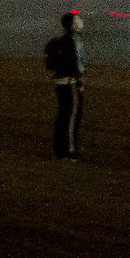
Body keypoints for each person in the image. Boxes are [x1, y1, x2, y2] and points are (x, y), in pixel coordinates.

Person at [43, 10, 84, 159]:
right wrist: (79, 82)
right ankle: (70, 150)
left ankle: (59, 150)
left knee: (62, 116)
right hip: (70, 84)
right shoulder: (71, 40)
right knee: (72, 117)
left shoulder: (64, 40)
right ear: (72, 24)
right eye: (77, 20)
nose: (80, 22)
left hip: (61, 84)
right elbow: (74, 64)